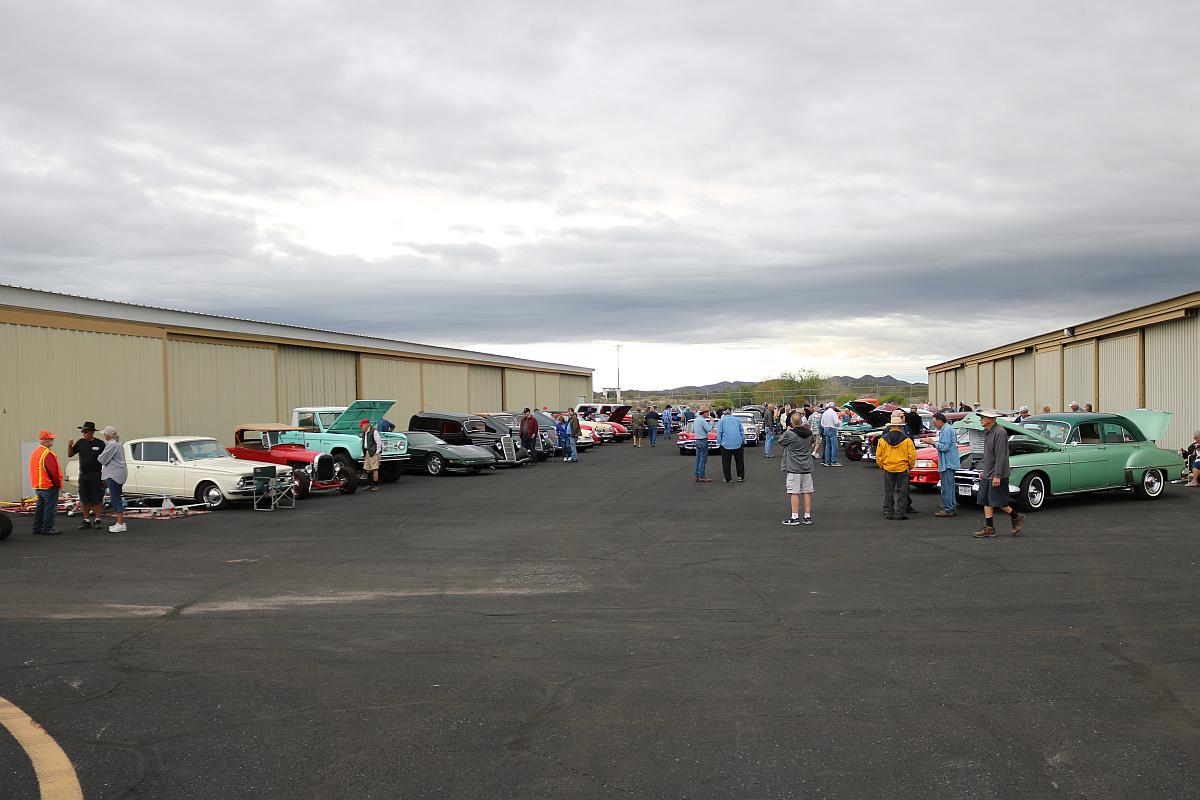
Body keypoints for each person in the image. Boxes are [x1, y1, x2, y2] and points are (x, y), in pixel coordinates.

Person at [974, 410, 1025, 538]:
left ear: (991, 419)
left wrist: (997, 475)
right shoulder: (987, 431)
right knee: (986, 500)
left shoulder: (1000, 432)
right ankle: (989, 528)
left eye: (983, 417)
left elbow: (1001, 456)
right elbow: (989, 455)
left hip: (998, 474)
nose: (981, 419)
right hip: (988, 473)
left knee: (997, 501)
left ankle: (1017, 516)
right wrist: (984, 471)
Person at [876, 414, 916, 520]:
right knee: (902, 491)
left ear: (890, 426)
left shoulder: (883, 439)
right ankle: (900, 513)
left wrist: (882, 465)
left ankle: (889, 511)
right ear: (900, 426)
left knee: (888, 491)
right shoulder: (907, 440)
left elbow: (879, 455)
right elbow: (912, 455)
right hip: (902, 468)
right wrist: (910, 466)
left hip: (889, 467)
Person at [778, 412, 816, 525]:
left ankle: (795, 517)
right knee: (807, 492)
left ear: (792, 422)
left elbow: (780, 441)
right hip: (807, 467)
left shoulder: (790, 434)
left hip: (794, 468)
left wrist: (787, 431)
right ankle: (807, 516)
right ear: (802, 421)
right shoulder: (809, 434)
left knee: (794, 492)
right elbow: (812, 442)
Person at [67, 421, 106, 530]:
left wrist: (105, 476)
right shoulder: (80, 443)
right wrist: (70, 445)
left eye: (86, 431)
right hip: (84, 474)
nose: (84, 433)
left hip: (96, 474)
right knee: (84, 498)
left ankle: (98, 519)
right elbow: (70, 454)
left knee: (97, 498)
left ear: (92, 432)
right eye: (82, 431)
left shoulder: (100, 444)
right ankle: (86, 520)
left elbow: (106, 460)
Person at [922, 412, 960, 517]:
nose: (934, 424)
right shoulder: (948, 428)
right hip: (950, 462)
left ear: (939, 421)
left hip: (947, 463)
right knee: (950, 486)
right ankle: (951, 507)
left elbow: (944, 447)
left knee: (946, 487)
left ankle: (948, 509)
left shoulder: (946, 430)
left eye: (934, 422)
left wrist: (932, 442)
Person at [30, 429, 62, 535]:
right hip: (48, 486)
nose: (52, 441)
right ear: (46, 439)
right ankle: (47, 528)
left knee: (40, 508)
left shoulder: (35, 453)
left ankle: (37, 528)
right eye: (51, 439)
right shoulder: (48, 453)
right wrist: (57, 484)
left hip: (38, 486)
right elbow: (53, 471)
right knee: (50, 508)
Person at [99, 425, 128, 533]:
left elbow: (103, 459)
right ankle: (119, 522)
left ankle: (120, 523)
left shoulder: (112, 445)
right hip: (117, 474)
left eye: (105, 434)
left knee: (115, 498)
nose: (104, 435)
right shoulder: (117, 444)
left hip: (114, 474)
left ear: (108, 435)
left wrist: (98, 456)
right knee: (116, 497)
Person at [716, 408, 746, 483]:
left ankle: (728, 478)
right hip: (738, 443)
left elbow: (719, 432)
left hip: (726, 443)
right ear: (731, 413)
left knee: (726, 462)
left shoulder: (721, 421)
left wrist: (719, 442)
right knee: (739, 461)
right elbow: (741, 431)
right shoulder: (737, 420)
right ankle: (740, 476)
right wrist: (743, 440)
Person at [358, 418, 381, 491]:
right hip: (367, 452)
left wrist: (377, 452)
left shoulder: (374, 431)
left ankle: (375, 485)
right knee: (367, 469)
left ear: (367, 424)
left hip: (373, 452)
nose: (361, 427)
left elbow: (378, 442)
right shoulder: (364, 432)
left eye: (362, 425)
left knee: (375, 469)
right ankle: (370, 484)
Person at [692, 408, 713, 483]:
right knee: (703, 459)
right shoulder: (702, 420)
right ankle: (701, 476)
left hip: (697, 440)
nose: (708, 414)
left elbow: (693, 430)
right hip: (703, 440)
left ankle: (697, 475)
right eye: (707, 413)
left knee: (698, 458)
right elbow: (709, 429)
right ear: (704, 413)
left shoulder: (696, 419)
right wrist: (711, 422)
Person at [820, 402, 841, 467]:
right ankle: (833, 461)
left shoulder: (824, 413)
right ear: (833, 407)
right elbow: (836, 422)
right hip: (832, 429)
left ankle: (827, 461)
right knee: (834, 446)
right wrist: (840, 422)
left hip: (825, 429)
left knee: (827, 446)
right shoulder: (833, 413)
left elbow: (822, 423)